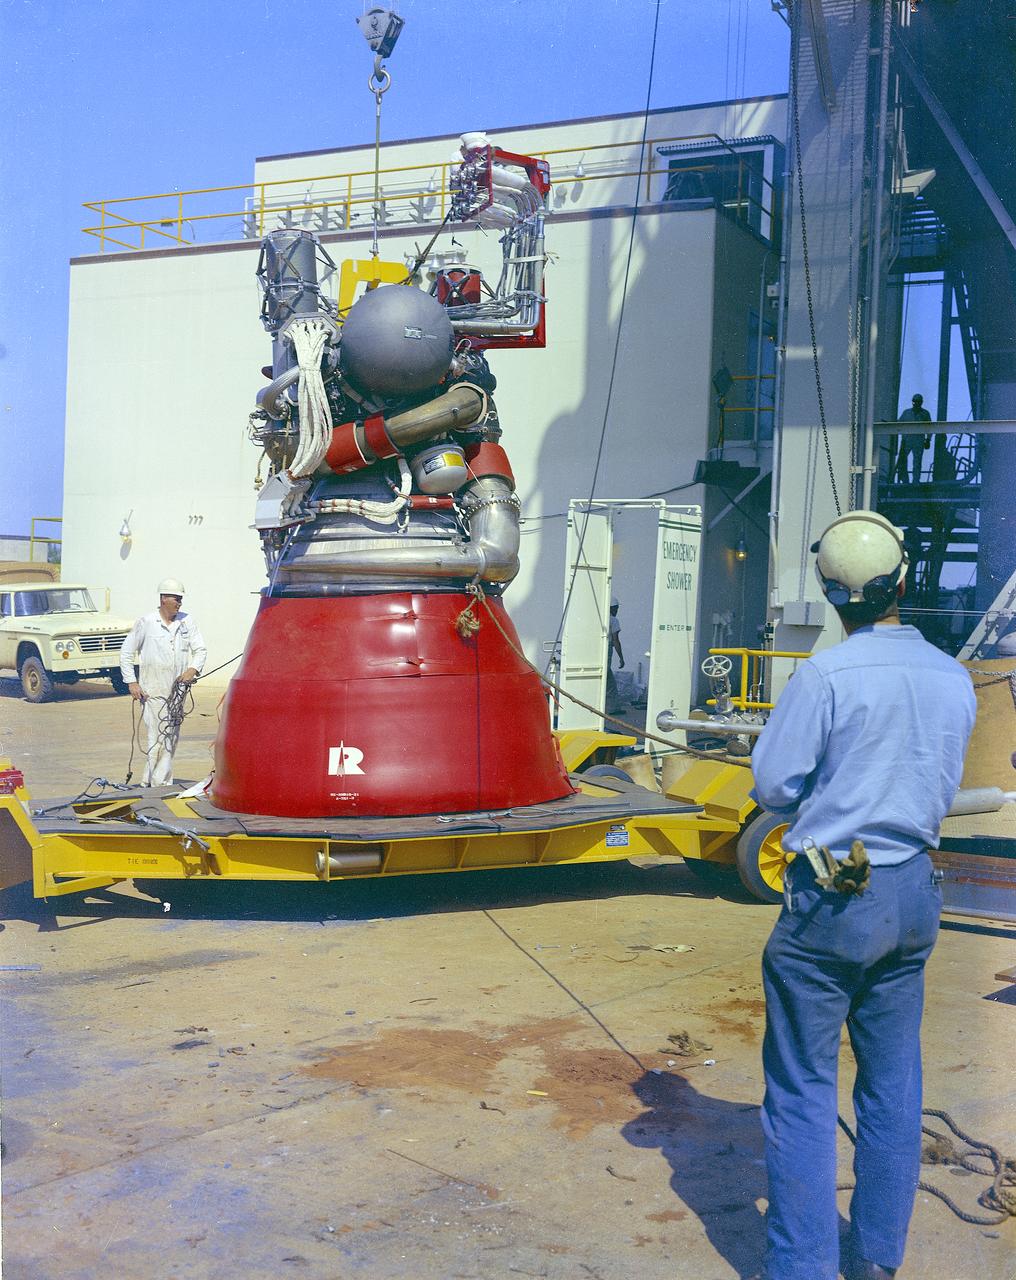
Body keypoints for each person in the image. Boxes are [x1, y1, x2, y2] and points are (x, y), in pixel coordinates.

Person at [750, 511, 975, 1280]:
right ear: (904, 579)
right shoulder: (953, 676)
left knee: (804, 1088)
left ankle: (801, 1268)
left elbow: (775, 785)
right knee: (892, 1081)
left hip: (835, 899)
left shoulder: (824, 677)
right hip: (914, 892)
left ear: (829, 595)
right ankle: (877, 1258)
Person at [120, 578, 207, 786]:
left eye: (180, 599)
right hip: (152, 691)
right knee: (158, 736)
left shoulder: (187, 622)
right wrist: (132, 682)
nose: (179, 603)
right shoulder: (146, 622)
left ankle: (151, 780)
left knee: (171, 736)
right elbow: (126, 652)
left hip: (177, 692)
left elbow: (200, 649)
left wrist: (192, 669)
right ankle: (159, 783)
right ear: (163, 599)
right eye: (175, 599)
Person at [893, 393, 931, 484]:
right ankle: (904, 480)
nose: (916, 403)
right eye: (915, 401)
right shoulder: (906, 413)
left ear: (921, 402)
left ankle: (915, 481)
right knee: (902, 460)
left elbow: (929, 428)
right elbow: (898, 425)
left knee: (917, 462)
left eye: (918, 402)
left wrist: (928, 440)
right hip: (907, 440)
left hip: (918, 441)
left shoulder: (925, 414)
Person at [605, 596, 625, 714]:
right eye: (616, 608)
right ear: (612, 608)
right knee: (610, 682)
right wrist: (621, 658)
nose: (617, 611)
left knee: (607, 680)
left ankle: (611, 708)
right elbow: (616, 640)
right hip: (607, 652)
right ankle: (612, 709)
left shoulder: (601, 619)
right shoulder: (613, 620)